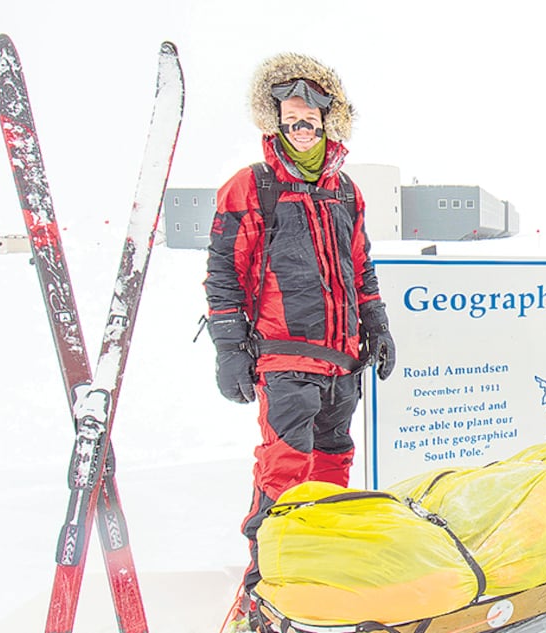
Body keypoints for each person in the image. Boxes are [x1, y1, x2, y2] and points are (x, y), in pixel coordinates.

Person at [204, 52, 396, 630]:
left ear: (328, 119)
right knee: (285, 472)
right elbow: (222, 272)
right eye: (288, 122)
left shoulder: (347, 191)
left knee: (332, 467)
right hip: (284, 356)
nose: (299, 130)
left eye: (309, 119)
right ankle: (261, 595)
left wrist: (378, 325)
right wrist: (229, 348)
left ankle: (318, 577)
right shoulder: (251, 187)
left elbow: (359, 267)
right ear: (275, 123)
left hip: (343, 359)